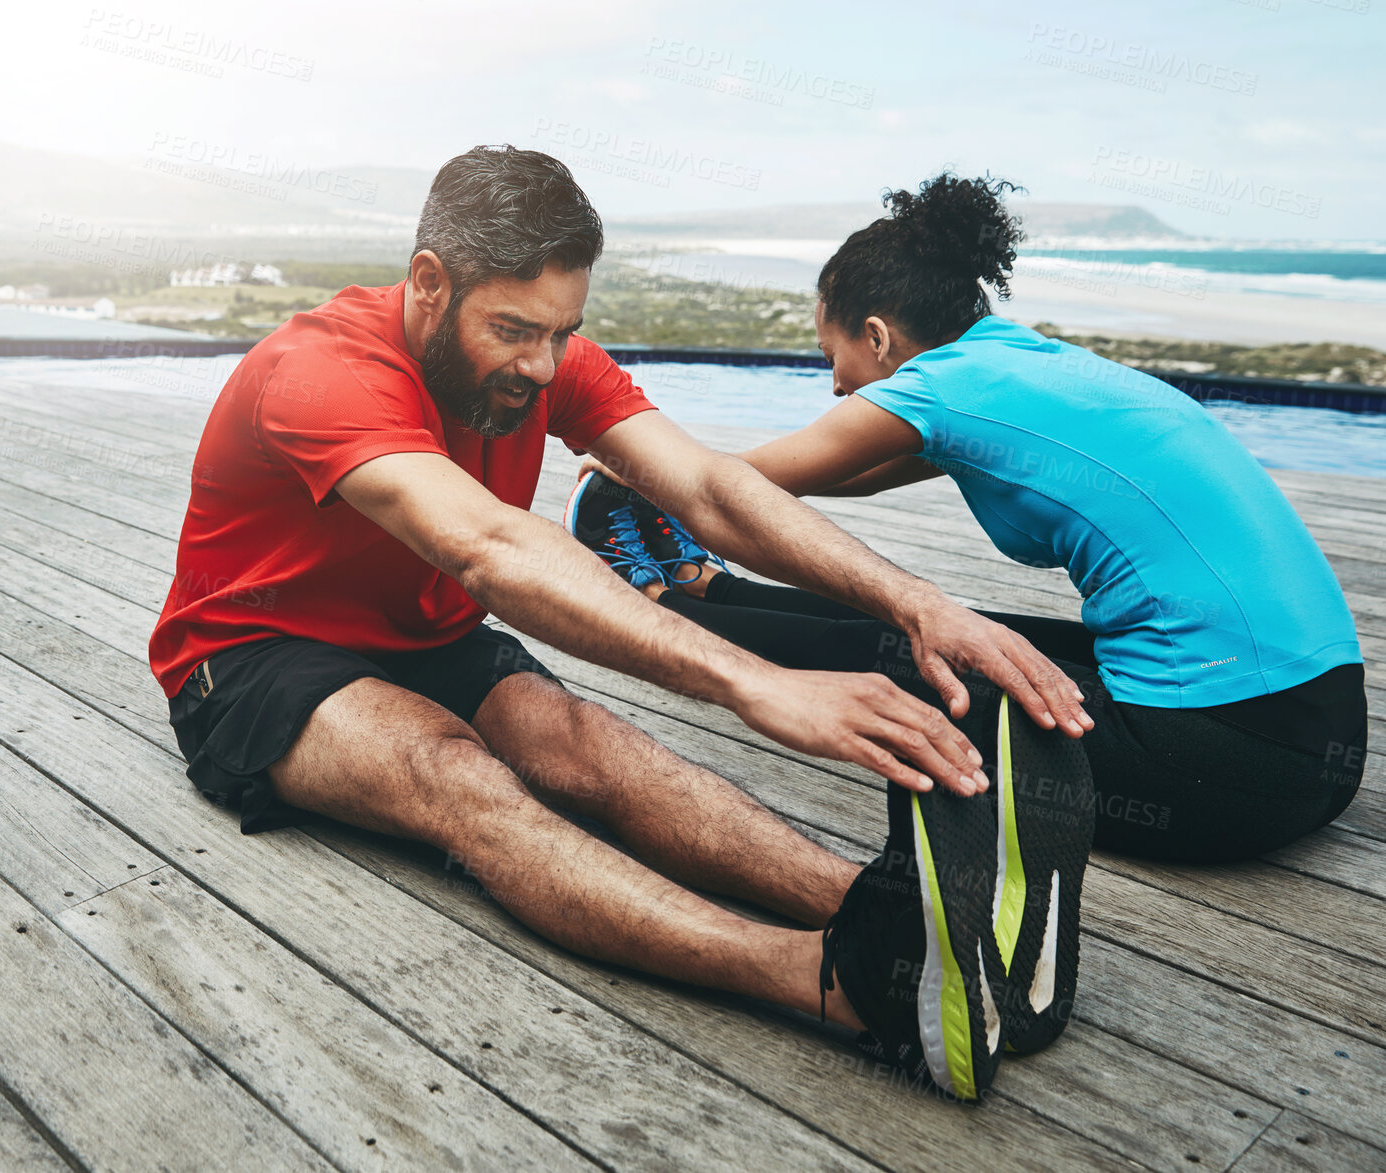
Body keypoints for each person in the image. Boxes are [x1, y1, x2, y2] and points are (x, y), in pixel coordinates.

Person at [149, 147, 1097, 1100]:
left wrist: (919, 602)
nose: (544, 363)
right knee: (455, 772)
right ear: (430, 283)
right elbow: (487, 545)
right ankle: (839, 982)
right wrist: (752, 679)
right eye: (516, 329)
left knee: (589, 745)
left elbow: (713, 492)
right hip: (252, 658)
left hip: (425, 634)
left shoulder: (544, 356)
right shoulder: (320, 370)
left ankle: (909, 919)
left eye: (564, 330)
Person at [569, 172, 1366, 865]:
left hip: (1229, 761)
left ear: (877, 336)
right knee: (953, 628)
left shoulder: (942, 387)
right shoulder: (1013, 362)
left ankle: (658, 604)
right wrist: (682, 489)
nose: (836, 385)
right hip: (1317, 724)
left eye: (833, 357)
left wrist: (639, 468)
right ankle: (711, 590)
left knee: (887, 653)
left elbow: (729, 489)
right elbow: (854, 474)